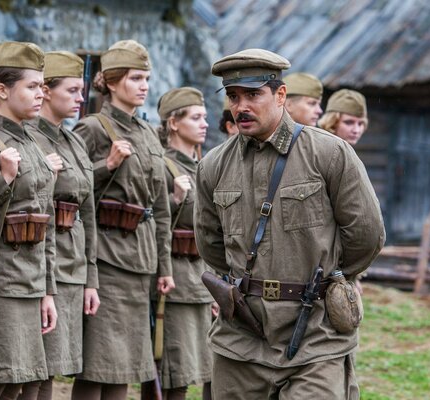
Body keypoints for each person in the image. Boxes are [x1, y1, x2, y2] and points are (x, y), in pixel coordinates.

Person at [194, 48, 385, 399]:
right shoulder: (213, 166)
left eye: (253, 94)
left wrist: (331, 281)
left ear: (280, 95)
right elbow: (210, 245)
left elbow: (366, 235)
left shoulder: (329, 153)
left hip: (315, 332)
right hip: (242, 335)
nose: (241, 107)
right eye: (234, 97)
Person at [71, 39, 175, 400]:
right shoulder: (92, 129)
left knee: (127, 363)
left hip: (142, 259)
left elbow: (160, 209)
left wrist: (164, 266)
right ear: (112, 82)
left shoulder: (149, 134)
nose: (144, 85)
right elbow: (71, 193)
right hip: (107, 256)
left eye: (146, 78)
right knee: (99, 362)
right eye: (135, 78)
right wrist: (107, 166)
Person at [0, 41, 57, 400]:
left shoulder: (34, 142)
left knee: (27, 384)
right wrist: (2, 179)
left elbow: (44, 220)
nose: (41, 94)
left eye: (42, 86)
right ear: (2, 90)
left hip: (31, 281)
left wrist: (48, 290)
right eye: (32, 86)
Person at [19, 51, 100, 400]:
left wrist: (91, 278)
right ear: (47, 91)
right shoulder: (29, 139)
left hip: (73, 264)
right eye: (73, 90)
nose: (81, 99)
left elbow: (89, 212)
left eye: (82, 90)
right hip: (42, 263)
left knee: (53, 364)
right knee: (35, 367)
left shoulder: (75, 141)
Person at [156, 87, 215, 400]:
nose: (204, 123)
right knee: (173, 371)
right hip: (176, 281)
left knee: (208, 368)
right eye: (196, 118)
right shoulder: (164, 167)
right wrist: (175, 199)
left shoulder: (206, 169)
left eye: (205, 117)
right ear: (174, 123)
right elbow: (155, 224)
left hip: (203, 281)